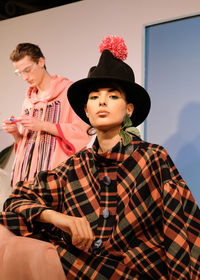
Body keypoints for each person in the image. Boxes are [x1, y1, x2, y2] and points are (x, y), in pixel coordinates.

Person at [0, 35, 200, 279]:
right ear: (86, 110)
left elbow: (182, 228)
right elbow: (16, 200)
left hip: (136, 272)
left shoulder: (152, 157)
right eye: (94, 97)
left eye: (113, 95)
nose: (102, 101)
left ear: (129, 109)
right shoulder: (76, 166)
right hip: (81, 265)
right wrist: (60, 218)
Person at [2, 43, 91, 187]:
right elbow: (26, 144)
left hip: (56, 181)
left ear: (41, 62)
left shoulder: (69, 92)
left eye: (28, 70)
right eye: (20, 73)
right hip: (26, 180)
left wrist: (43, 125)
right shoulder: (29, 101)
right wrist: (15, 134)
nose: (25, 77)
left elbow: (82, 132)